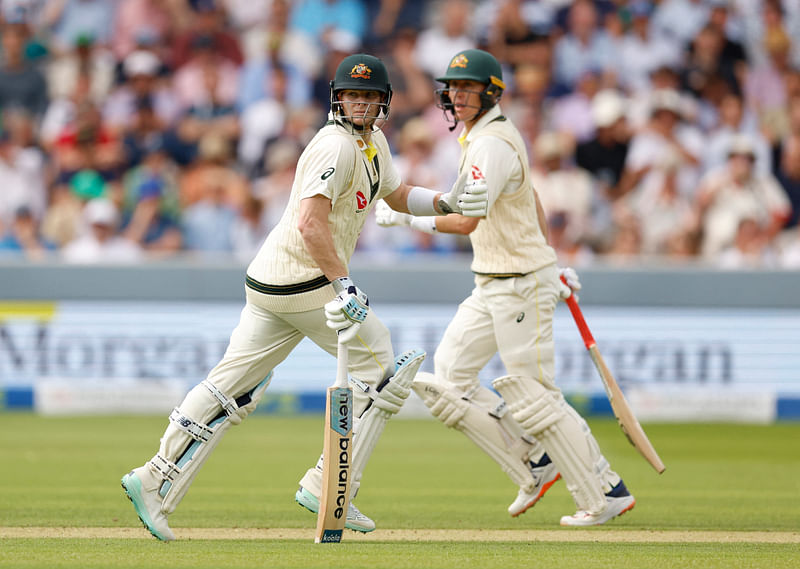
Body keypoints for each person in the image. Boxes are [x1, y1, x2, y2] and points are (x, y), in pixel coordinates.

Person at [120, 53, 488, 541]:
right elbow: (310, 224)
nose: (360, 104)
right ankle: (331, 485)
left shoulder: (372, 141)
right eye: (353, 95)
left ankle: (154, 477)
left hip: (272, 282)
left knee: (232, 387)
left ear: (383, 103)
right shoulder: (334, 148)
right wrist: (344, 284)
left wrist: (444, 201)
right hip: (304, 282)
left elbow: (396, 195)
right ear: (338, 98)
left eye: (369, 96)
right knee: (383, 373)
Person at [376, 48, 635, 526]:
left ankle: (604, 491)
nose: (457, 95)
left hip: (519, 284)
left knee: (534, 395)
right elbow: (530, 198)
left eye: (467, 87)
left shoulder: (492, 144)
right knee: (451, 378)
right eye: (452, 87)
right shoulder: (482, 139)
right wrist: (550, 257)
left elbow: (466, 222)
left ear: (491, 92)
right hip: (493, 281)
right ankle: (534, 462)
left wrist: (406, 217)